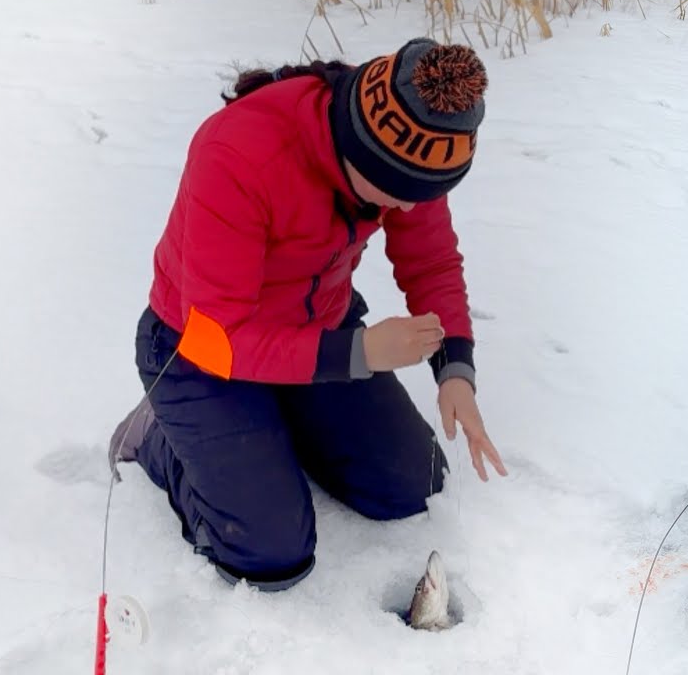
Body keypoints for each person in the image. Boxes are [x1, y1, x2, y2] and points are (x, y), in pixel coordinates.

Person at [108, 38, 507, 592]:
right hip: (198, 351)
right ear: (358, 152)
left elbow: (431, 261)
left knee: (412, 486)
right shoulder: (239, 154)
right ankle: (158, 435)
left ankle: (273, 425)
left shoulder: (411, 140)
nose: (409, 207)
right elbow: (218, 335)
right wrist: (360, 353)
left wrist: (455, 369)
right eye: (399, 193)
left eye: (427, 193)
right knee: (270, 554)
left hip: (316, 328)